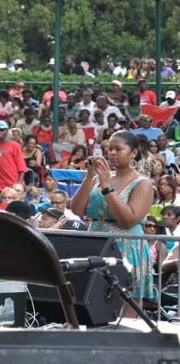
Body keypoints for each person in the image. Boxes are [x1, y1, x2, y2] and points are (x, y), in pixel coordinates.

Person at [71, 131, 153, 316]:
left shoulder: (142, 183)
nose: (112, 153)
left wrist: (107, 186)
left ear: (133, 153)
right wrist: (89, 176)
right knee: (93, 302)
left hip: (125, 247)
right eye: (109, 149)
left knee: (124, 306)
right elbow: (76, 210)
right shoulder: (97, 178)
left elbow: (127, 220)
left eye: (118, 149)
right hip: (96, 244)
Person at [0, 121, 26, 203]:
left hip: (11, 186)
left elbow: (22, 168)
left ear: (7, 130)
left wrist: (18, 184)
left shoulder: (15, 146)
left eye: (2, 130)